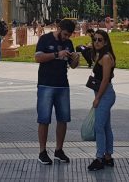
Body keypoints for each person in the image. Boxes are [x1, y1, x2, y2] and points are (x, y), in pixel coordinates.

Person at [34, 19, 80, 165]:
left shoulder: (68, 43)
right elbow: (38, 57)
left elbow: (72, 66)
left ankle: (59, 150)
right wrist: (56, 54)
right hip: (46, 84)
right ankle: (42, 151)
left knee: (63, 119)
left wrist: (75, 59)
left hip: (62, 85)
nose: (67, 38)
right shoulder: (45, 39)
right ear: (59, 28)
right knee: (44, 119)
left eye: (69, 36)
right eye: (65, 34)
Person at [88, 29, 117, 171]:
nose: (97, 42)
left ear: (106, 42)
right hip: (103, 93)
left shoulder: (105, 57)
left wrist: (98, 98)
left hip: (105, 94)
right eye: (95, 40)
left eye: (100, 40)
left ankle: (99, 157)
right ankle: (108, 156)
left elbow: (105, 79)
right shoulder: (100, 55)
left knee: (99, 126)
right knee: (105, 126)